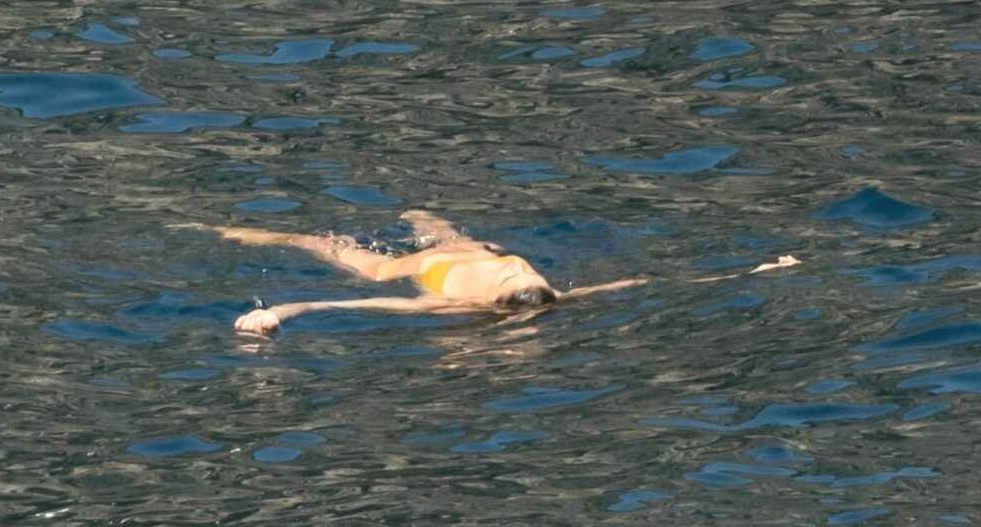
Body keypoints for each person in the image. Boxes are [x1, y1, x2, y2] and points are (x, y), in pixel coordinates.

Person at [175, 210, 800, 335]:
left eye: (515, 273)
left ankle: (258, 230)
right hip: (462, 247)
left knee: (363, 267)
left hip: (423, 268)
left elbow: (348, 307)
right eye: (520, 267)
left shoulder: (445, 307)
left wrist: (278, 312)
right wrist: (754, 269)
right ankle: (428, 217)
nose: (522, 268)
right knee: (450, 233)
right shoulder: (544, 293)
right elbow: (641, 285)